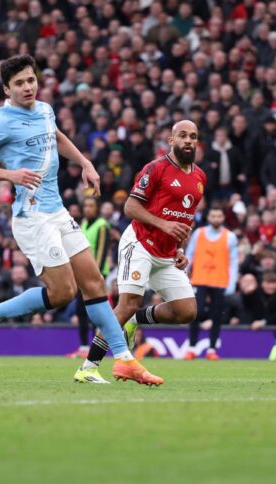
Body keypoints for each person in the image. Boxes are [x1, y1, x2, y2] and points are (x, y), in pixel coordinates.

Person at [0, 55, 161, 385]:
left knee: (95, 284)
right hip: (32, 217)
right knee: (63, 293)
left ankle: (125, 359)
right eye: (20, 84)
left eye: (31, 80)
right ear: (6, 90)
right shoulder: (1, 120)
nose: (28, 87)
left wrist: (85, 162)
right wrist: (9, 173)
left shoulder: (44, 109)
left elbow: (58, 137)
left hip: (57, 212)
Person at [76, 120, 206, 380]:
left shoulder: (200, 177)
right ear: (171, 140)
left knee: (187, 311)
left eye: (193, 136)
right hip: (139, 244)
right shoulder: (156, 168)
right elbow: (130, 207)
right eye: (182, 136)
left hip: (166, 254)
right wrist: (163, 225)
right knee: (126, 304)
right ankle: (88, 368)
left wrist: (180, 248)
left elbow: (185, 220)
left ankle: (136, 320)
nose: (188, 140)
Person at [184, 204, 239, 360]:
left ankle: (212, 349)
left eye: (219, 216)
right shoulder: (199, 234)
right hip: (199, 279)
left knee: (216, 316)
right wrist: (185, 274)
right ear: (208, 217)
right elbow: (190, 254)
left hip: (220, 281)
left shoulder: (230, 237)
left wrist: (232, 283)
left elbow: (234, 262)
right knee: (196, 312)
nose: (216, 219)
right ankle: (192, 348)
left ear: (223, 218)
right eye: (213, 216)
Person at [67, 196, 112, 359]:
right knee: (81, 311)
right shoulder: (83, 224)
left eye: (91, 206)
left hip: (95, 274)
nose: (87, 209)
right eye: (85, 205)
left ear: (97, 208)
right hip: (82, 273)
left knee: (95, 311)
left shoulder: (102, 226)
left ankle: (95, 347)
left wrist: (96, 275)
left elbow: (101, 251)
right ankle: (84, 346)